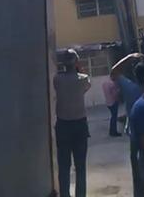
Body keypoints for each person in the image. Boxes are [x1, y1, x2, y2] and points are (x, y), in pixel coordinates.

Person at [112, 52, 144, 197]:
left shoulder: (130, 88)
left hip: (135, 135)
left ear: (135, 75)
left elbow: (114, 72)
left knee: (138, 169)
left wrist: (128, 58)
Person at [53, 49, 91, 197]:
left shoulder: (57, 79)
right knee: (80, 167)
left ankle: (64, 194)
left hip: (63, 126)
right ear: (76, 62)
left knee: (64, 166)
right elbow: (86, 87)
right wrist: (78, 67)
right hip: (79, 126)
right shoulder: (83, 78)